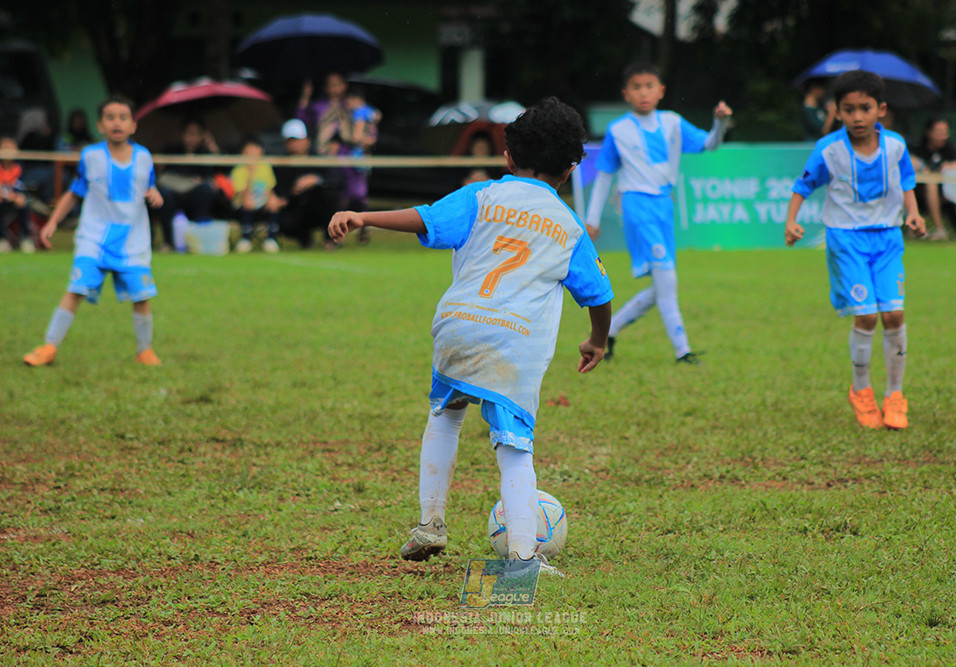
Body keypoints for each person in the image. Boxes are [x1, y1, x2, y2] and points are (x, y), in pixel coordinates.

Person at [327, 97, 614, 574]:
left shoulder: (481, 195)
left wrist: (365, 217)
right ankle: (523, 558)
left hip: (456, 325)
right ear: (569, 170)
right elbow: (598, 293)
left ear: (507, 158)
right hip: (513, 342)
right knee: (513, 448)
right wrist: (598, 340)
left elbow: (425, 217)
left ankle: (430, 524)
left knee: (445, 414)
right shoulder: (568, 225)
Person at [784, 70, 926, 430]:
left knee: (894, 315)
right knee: (866, 317)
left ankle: (894, 395)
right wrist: (792, 220)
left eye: (865, 108)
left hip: (888, 238)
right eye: (849, 110)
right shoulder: (828, 150)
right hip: (847, 239)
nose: (857, 117)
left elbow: (907, 181)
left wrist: (913, 213)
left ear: (880, 109)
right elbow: (802, 185)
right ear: (838, 111)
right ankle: (861, 391)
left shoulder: (895, 146)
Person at [584, 61, 732, 365]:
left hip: (665, 207)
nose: (643, 92)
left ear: (661, 91)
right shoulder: (618, 130)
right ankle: (683, 351)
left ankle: (609, 331)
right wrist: (592, 219)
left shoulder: (673, 123)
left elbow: (710, 145)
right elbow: (603, 176)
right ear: (626, 93)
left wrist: (720, 123)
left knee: (663, 284)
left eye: (649, 86)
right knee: (668, 277)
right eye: (636, 87)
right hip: (637, 207)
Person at [23, 95, 164, 368]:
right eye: (110, 117)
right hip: (94, 238)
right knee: (75, 289)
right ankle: (49, 346)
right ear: (100, 125)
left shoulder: (144, 157)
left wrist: (155, 193)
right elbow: (75, 193)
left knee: (142, 296)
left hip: (133, 240)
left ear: (133, 125)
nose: (117, 123)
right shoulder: (91, 156)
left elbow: (150, 186)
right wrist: (52, 222)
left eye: (123, 117)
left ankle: (144, 351)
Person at [297, 73, 370, 242]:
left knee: (357, 196)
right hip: (327, 160)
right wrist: (305, 96)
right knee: (333, 198)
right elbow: (303, 121)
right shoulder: (318, 107)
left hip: (350, 159)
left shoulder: (351, 105)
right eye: (331, 85)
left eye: (338, 84)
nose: (335, 89)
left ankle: (364, 230)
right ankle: (333, 236)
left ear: (344, 85)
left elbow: (368, 119)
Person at [271, 119, 339, 249]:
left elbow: (337, 180)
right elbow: (279, 190)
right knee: (283, 221)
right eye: (290, 141)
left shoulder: (319, 160)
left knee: (331, 196)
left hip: (318, 207)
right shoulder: (280, 164)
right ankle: (305, 239)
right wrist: (289, 193)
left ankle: (330, 239)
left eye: (297, 140)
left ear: (307, 140)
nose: (294, 144)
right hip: (295, 208)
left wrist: (316, 180)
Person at [156, 119, 223, 251]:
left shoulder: (206, 153)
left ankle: (199, 240)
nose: (193, 138)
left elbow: (218, 173)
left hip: (194, 197)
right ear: (182, 134)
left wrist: (214, 150)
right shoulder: (171, 150)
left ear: (203, 135)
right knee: (163, 195)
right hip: (173, 195)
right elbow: (165, 174)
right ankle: (168, 242)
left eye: (197, 134)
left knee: (205, 191)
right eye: (189, 133)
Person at [910, 117, 956, 240]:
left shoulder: (949, 149)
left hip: (946, 193)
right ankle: (940, 229)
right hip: (918, 194)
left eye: (944, 133)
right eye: (939, 133)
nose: (942, 136)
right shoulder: (917, 148)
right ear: (928, 132)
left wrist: (951, 167)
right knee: (931, 182)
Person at [230, 136, 280, 254]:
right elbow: (242, 195)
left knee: (274, 202)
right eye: (248, 150)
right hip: (244, 204)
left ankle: (271, 239)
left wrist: (272, 199)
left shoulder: (265, 167)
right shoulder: (239, 170)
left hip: (262, 202)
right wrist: (251, 173)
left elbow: (269, 189)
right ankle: (246, 238)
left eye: (255, 150)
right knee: (249, 202)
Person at [0, 134, 34, 253]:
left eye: (10, 148)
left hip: (14, 199)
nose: (7, 152)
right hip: (2, 201)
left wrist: (16, 196)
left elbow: (20, 186)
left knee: (23, 202)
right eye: (4, 148)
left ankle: (25, 238)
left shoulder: (19, 167)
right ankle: (2, 240)